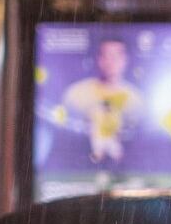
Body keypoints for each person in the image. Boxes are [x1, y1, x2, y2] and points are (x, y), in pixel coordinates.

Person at [58, 38, 142, 166]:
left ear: (125, 60)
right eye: (105, 56)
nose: (110, 62)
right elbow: (64, 130)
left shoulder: (135, 99)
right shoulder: (75, 93)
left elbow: (137, 133)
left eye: (116, 56)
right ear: (97, 59)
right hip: (80, 164)